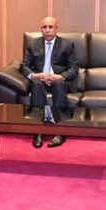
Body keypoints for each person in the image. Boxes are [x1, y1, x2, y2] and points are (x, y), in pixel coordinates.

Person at [20, 16, 78, 148]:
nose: (47, 30)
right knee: (36, 84)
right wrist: (34, 75)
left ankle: (60, 131)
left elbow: (74, 69)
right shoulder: (32, 44)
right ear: (41, 29)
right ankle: (38, 131)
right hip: (40, 80)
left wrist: (60, 76)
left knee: (58, 83)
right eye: (44, 27)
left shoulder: (67, 44)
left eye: (50, 27)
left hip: (59, 81)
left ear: (56, 28)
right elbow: (24, 66)